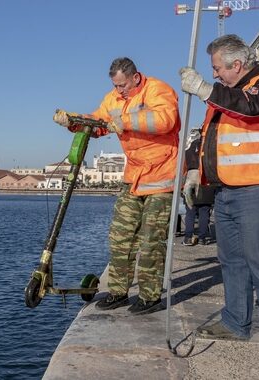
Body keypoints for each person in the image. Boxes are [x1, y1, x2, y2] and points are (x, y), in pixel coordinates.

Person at [179, 34, 259, 358]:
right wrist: (194, 169)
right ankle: (236, 322)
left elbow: (253, 108)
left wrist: (205, 90)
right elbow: (207, 139)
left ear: (237, 64)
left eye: (218, 69)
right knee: (231, 259)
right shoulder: (226, 97)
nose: (216, 75)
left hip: (257, 188)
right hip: (226, 190)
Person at [54, 57, 181, 315]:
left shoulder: (158, 89)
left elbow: (166, 120)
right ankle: (118, 292)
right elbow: (99, 123)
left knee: (151, 241)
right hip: (133, 177)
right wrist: (72, 120)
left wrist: (126, 122)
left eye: (122, 85)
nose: (119, 90)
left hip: (162, 176)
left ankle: (150, 296)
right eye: (115, 85)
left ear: (135, 77)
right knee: (120, 237)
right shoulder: (112, 98)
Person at [181, 128, 214, 246]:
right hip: (205, 180)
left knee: (190, 210)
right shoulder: (208, 145)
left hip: (190, 179)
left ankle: (188, 237)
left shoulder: (188, 148)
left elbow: (183, 167)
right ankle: (202, 238)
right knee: (204, 210)